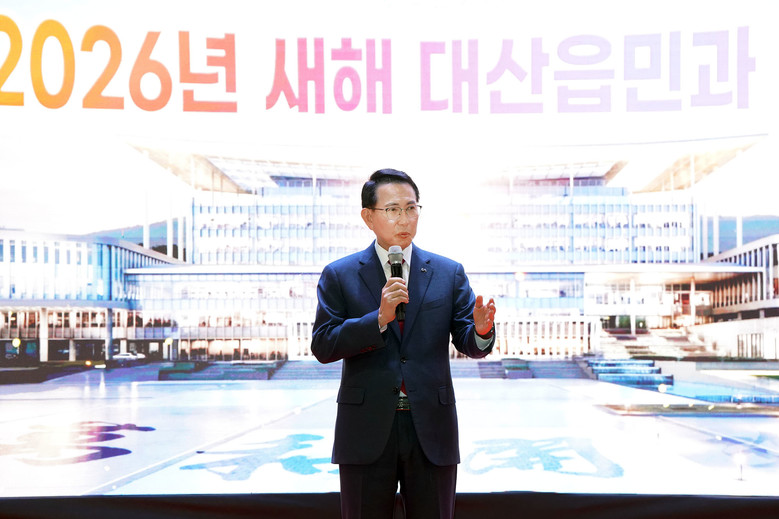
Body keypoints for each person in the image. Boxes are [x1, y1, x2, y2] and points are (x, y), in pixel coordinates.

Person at [311, 168, 497, 519]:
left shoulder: (448, 272)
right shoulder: (340, 274)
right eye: (393, 209)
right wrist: (378, 319)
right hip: (365, 428)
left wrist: (482, 331)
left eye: (411, 208)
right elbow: (323, 345)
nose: (404, 219)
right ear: (368, 217)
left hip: (431, 428)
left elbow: (469, 342)